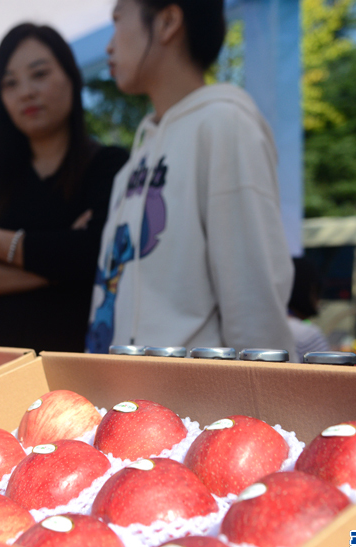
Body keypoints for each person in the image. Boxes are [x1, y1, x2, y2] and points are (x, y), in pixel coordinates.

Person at [86, 0, 296, 355]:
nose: (108, 45)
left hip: (196, 403)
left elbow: (253, 300)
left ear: (167, 22)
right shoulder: (134, 162)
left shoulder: (226, 125)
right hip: (125, 396)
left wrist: (264, 405)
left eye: (119, 19)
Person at [0, 23, 129, 352]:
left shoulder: (108, 166)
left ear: (72, 77)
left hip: (74, 361)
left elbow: (97, 253)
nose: (26, 92)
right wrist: (58, 265)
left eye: (39, 74)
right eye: (10, 83)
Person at [287, 257, 331, 362]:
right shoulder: (307, 335)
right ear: (308, 290)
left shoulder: (261, 326)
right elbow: (329, 376)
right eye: (318, 291)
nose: (319, 300)